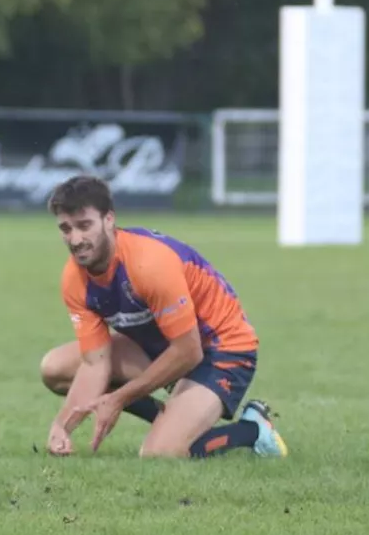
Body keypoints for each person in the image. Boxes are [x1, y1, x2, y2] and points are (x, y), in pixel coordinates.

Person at [38, 174, 288, 459]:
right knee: (55, 369)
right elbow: (96, 364)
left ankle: (253, 429)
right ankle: (172, 419)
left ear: (109, 219)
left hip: (221, 349)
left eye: (84, 226)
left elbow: (189, 351)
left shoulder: (148, 264)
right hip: (166, 345)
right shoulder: (74, 279)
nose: (75, 239)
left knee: (160, 453)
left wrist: (119, 398)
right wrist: (62, 426)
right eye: (65, 229)